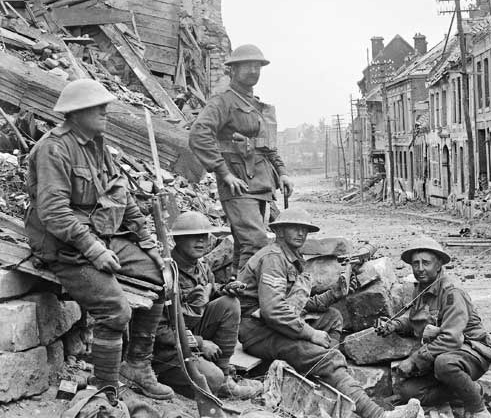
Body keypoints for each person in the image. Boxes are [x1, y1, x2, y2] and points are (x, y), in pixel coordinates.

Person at [25, 79, 173, 400]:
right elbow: (53, 213)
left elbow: (123, 196)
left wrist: (148, 243)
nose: (105, 110)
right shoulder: (55, 148)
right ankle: (106, 392)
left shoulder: (96, 143)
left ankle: (136, 365)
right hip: (61, 244)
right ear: (76, 112)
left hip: (99, 235)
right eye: (98, 106)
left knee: (160, 278)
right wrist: (93, 249)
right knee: (116, 310)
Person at [237, 207, 423, 418]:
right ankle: (377, 414)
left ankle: (324, 375)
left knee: (333, 318)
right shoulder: (273, 259)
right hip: (257, 330)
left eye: (304, 229)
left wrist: (334, 293)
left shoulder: (290, 257)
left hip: (270, 325)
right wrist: (310, 334)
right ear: (279, 231)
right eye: (294, 228)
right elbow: (273, 311)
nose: (301, 233)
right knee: (327, 357)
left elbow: (298, 304)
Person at [189, 44, 293, 277]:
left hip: (261, 184)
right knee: (256, 242)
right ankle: (250, 299)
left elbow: (267, 146)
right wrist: (224, 172)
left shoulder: (257, 105)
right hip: (238, 184)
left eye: (258, 66)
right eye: (247, 65)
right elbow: (199, 134)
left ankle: (237, 294)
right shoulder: (222, 102)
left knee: (243, 245)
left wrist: (282, 172)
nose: (254, 70)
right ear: (232, 70)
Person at [376, 237, 491, 418]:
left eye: (426, 263)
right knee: (408, 392)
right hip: (445, 353)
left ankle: (478, 408)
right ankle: (468, 390)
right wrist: (394, 325)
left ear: (438, 264)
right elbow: (417, 321)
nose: (420, 268)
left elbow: (452, 338)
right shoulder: (422, 289)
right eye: (415, 264)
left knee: (444, 364)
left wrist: (415, 359)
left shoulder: (452, 292)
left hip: (472, 352)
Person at [152, 211, 262, 399]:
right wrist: (200, 343)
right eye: (193, 237)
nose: (201, 242)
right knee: (212, 379)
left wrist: (224, 289)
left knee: (230, 303)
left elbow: (208, 293)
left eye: (203, 236)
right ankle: (212, 380)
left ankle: (225, 376)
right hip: (168, 352)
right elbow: (158, 331)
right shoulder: (165, 273)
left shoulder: (200, 265)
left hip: (191, 335)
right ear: (177, 240)